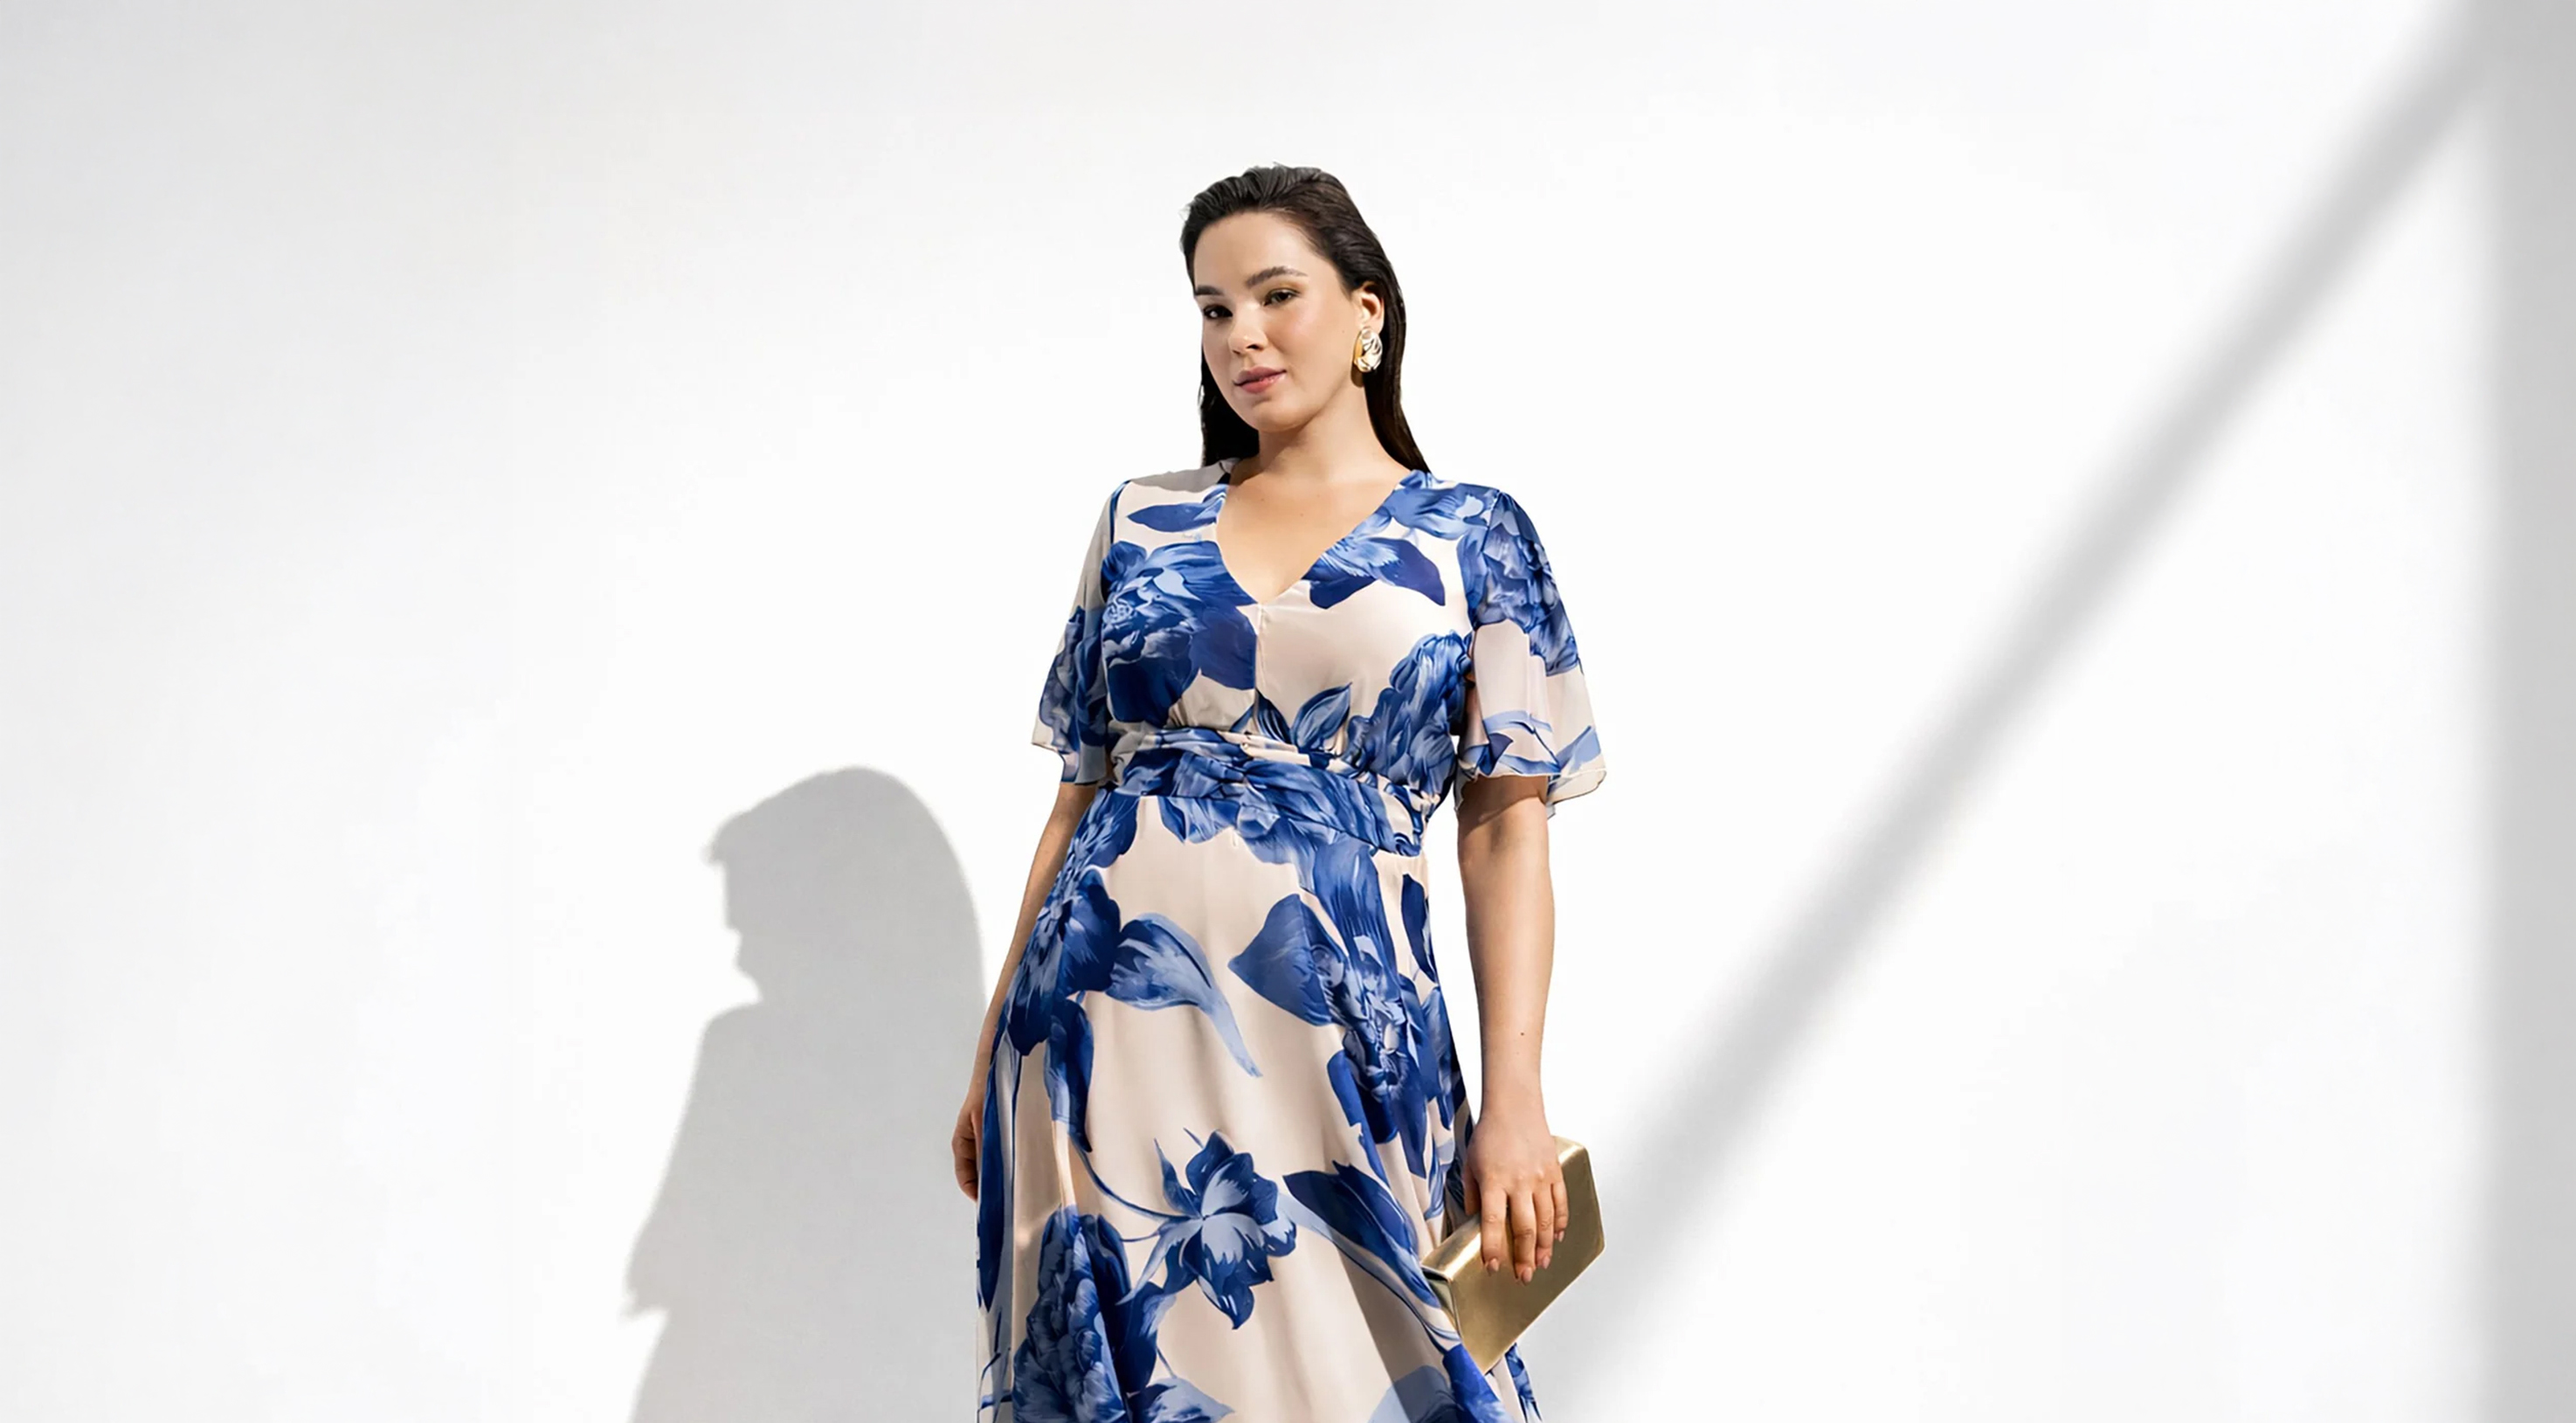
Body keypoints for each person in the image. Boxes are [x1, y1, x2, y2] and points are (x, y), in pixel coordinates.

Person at [951, 163, 1608, 1423]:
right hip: (1097, 1034)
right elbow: (1078, 801)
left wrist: (1515, 1103)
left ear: (1367, 314)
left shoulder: (1469, 535)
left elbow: (1503, 829)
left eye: (1273, 295)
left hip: (1341, 1029)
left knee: (1391, 1362)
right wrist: (992, 1046)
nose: (1239, 337)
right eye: (1210, 309)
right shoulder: (1141, 521)